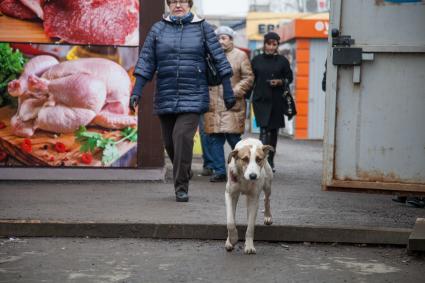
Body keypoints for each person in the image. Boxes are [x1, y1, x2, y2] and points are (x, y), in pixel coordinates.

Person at [130, 0, 235, 202]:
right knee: (170, 143)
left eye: (183, 1)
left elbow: (220, 59)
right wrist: (137, 90)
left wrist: (228, 91)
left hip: (193, 94)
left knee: (182, 138)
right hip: (166, 94)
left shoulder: (202, 27)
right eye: (174, 1)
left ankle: (181, 187)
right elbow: (146, 61)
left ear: (189, 4)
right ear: (169, 5)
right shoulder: (158, 28)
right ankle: (184, 172)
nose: (178, 5)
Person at [204, 26, 254, 182]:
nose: (220, 41)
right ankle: (220, 171)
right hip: (213, 105)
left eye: (224, 38)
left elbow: (248, 78)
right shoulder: (209, 56)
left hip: (232, 104)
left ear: (231, 40)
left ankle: (241, 170)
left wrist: (234, 91)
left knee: (235, 141)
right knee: (214, 140)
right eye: (218, 38)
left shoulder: (240, 56)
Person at [251, 32, 293, 172]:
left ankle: (270, 160)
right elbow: (251, 79)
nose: (271, 47)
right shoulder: (256, 60)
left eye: (274, 44)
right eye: (268, 44)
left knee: (273, 130)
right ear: (264, 44)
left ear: (277, 45)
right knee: (264, 129)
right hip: (260, 99)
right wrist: (244, 96)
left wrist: (280, 81)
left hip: (276, 100)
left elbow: (289, 78)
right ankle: (261, 159)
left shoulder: (282, 61)